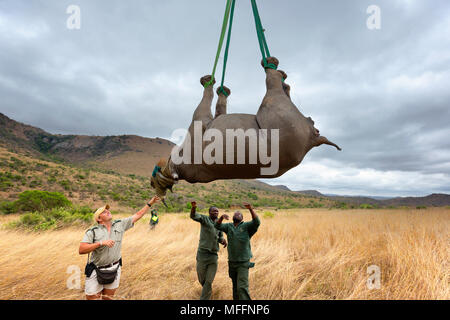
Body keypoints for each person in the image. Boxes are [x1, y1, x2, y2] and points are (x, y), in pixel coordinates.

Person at [79, 195, 160, 300]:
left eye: (108, 210)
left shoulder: (120, 224)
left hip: (114, 268)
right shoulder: (92, 231)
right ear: (99, 218)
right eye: (104, 212)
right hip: (96, 269)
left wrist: (150, 203)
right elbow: (81, 249)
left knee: (108, 298)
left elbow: (138, 215)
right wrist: (100, 243)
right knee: (92, 298)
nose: (108, 211)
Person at [214, 202, 260, 300]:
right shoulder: (228, 226)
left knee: (242, 287)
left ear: (242, 218)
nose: (237, 214)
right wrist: (221, 218)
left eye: (239, 214)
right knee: (235, 287)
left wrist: (250, 209)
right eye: (235, 213)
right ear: (232, 217)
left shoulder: (247, 226)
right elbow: (217, 226)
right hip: (232, 262)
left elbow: (257, 222)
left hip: (243, 262)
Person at [190, 201, 227, 300]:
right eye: (214, 211)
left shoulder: (219, 224)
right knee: (202, 280)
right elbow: (193, 216)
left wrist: (223, 240)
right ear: (209, 212)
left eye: (217, 211)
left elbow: (220, 237)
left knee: (209, 281)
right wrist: (193, 207)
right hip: (202, 254)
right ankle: (208, 292)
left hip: (213, 256)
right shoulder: (205, 219)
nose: (216, 213)